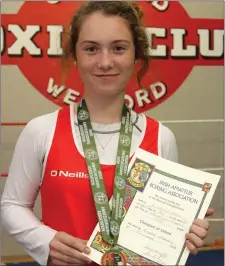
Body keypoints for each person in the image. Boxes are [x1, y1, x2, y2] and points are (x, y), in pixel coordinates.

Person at [1, 2, 214, 266]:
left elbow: (162, 222)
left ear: (136, 55)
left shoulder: (161, 138)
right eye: (91, 49)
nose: (105, 62)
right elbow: (11, 205)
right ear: (75, 55)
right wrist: (44, 240)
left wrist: (183, 229)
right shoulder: (42, 130)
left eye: (118, 48)